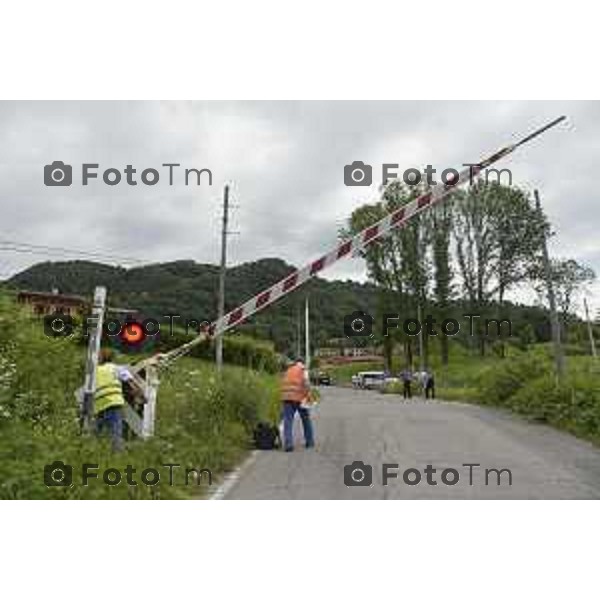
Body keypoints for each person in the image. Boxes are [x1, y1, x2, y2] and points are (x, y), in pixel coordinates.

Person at [94, 348, 137, 451]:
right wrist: (142, 396)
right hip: (114, 404)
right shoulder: (118, 368)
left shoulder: (95, 371)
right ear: (112, 358)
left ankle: (92, 452)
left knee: (95, 434)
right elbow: (132, 383)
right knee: (116, 433)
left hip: (98, 405)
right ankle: (118, 455)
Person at [281, 357, 315, 452]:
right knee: (306, 420)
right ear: (302, 363)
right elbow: (306, 383)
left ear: (295, 362)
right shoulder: (303, 369)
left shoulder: (289, 370)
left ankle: (288, 444)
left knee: (288, 421)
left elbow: (283, 382)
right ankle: (309, 441)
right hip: (299, 398)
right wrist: (309, 396)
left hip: (286, 397)